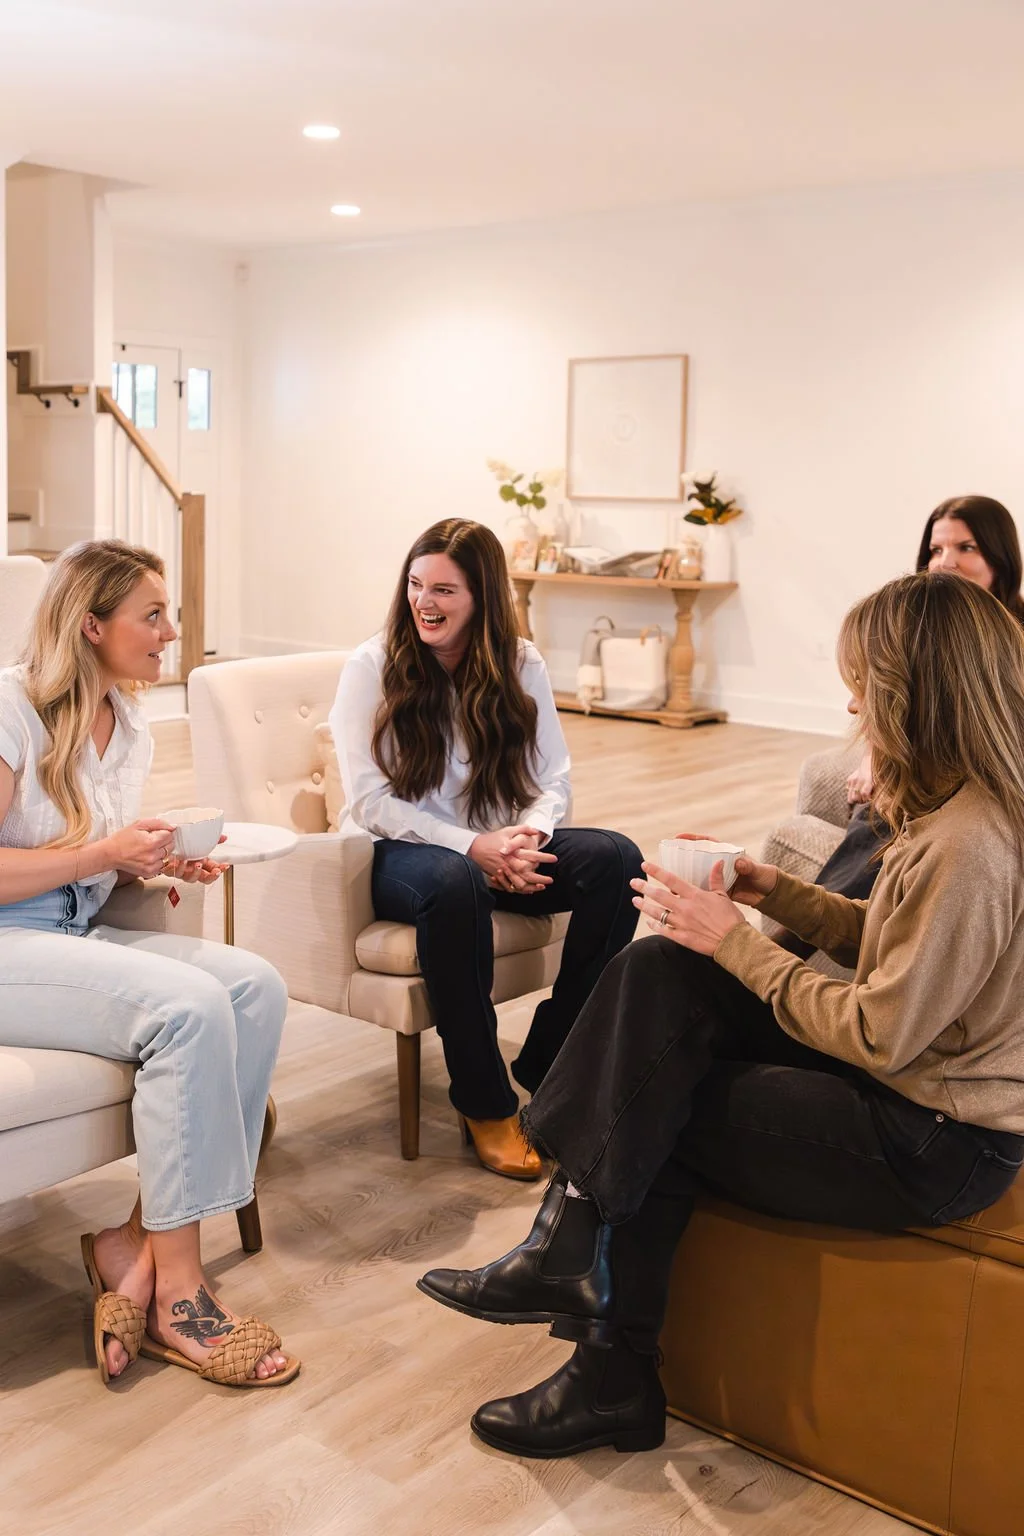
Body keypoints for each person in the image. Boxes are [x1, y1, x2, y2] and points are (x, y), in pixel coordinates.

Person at [417, 571, 1024, 1458]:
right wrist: (778, 893)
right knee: (661, 966)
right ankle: (563, 1246)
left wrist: (739, 940)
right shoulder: (952, 811)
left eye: (864, 686)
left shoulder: (970, 844)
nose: (851, 703)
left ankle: (608, 1369)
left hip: (935, 1136)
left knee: (658, 1097)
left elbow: (881, 1030)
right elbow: (888, 944)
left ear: (912, 694)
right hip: (904, 1083)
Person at [0, 540, 298, 1389]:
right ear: (92, 626)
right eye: (153, 615)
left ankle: (134, 1246)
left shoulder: (126, 722)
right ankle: (183, 1295)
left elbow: (80, 857)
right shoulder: (10, 709)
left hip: (67, 933)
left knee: (253, 987)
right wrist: (102, 850)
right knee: (186, 1008)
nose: (172, 630)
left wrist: (149, 861)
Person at [330, 518, 643, 1180]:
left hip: (491, 850)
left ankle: (554, 1062)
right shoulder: (373, 667)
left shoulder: (519, 662)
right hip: (395, 856)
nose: (425, 601)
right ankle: (485, 1102)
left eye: (444, 588)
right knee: (453, 883)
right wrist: (475, 848)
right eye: (416, 585)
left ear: (482, 597)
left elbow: (552, 776)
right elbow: (371, 805)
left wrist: (527, 837)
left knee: (618, 861)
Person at [787, 495, 1023, 938]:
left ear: (1001, 558)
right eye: (936, 550)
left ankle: (798, 941)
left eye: (965, 548)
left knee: (888, 813)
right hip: (918, 772)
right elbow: (896, 699)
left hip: (965, 785)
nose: (945, 563)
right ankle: (803, 934)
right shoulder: (919, 626)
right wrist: (874, 754)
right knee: (879, 805)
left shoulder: (1014, 638)